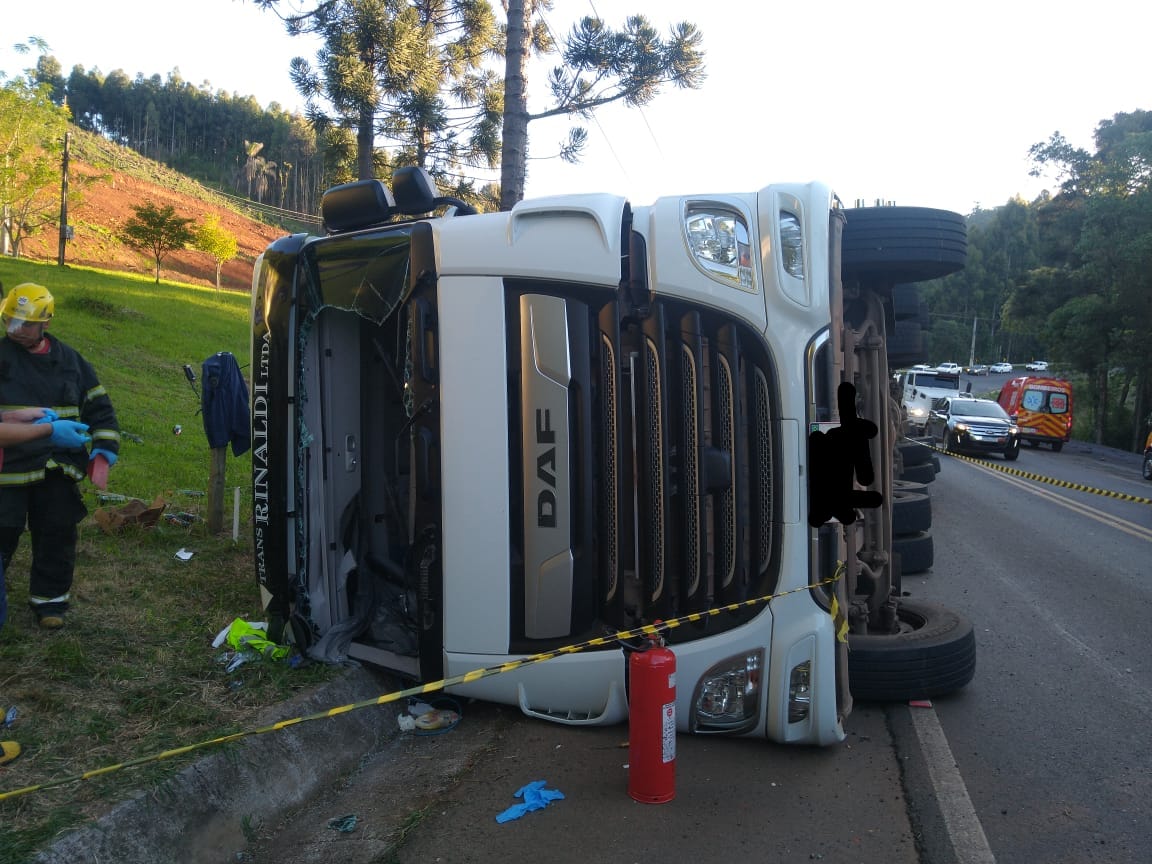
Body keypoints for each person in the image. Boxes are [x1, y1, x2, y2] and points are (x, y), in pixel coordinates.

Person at [0, 282, 120, 630]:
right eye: (10, 322)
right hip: (9, 467)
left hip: (57, 466)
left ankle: (49, 601)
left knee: (57, 531)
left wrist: (105, 446)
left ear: (46, 323)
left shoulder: (70, 362)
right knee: (3, 531)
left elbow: (99, 407)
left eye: (25, 324)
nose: (16, 330)